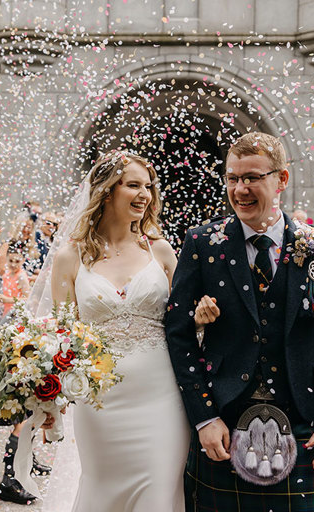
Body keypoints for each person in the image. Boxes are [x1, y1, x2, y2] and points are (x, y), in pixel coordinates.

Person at [165, 132, 314, 511]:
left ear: (281, 179)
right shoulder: (203, 243)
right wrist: (203, 417)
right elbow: (178, 334)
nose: (240, 189)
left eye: (252, 177)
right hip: (223, 421)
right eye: (232, 178)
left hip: (303, 423)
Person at [39, 150, 189, 511]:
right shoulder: (70, 257)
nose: (145, 195)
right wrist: (49, 400)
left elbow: (183, 327)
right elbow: (63, 337)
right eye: (133, 185)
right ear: (107, 191)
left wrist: (201, 316)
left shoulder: (162, 252)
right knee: (103, 493)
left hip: (162, 398)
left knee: (158, 494)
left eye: (149, 187)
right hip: (100, 403)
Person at [0, 243, 31, 317]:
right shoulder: (6, 275)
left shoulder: (21, 276)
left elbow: (27, 299)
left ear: (23, 261)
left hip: (17, 313)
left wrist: (8, 300)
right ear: (7, 259)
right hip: (6, 312)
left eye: (17, 261)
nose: (13, 264)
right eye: (11, 261)